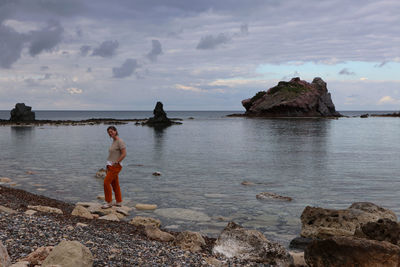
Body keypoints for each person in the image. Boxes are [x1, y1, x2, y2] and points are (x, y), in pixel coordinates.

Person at [102, 126, 126, 209]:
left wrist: (117, 162)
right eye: (108, 132)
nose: (110, 133)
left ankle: (109, 202)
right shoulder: (114, 141)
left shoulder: (120, 141)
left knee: (106, 182)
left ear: (115, 131)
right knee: (115, 184)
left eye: (111, 131)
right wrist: (108, 165)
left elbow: (124, 154)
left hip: (115, 165)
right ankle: (119, 202)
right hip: (109, 165)